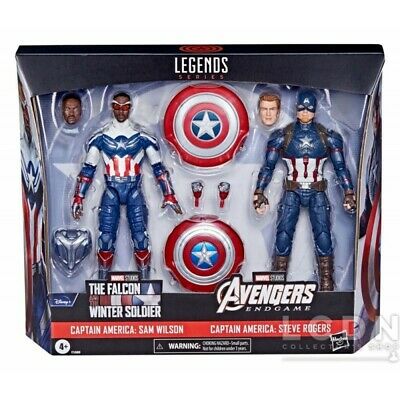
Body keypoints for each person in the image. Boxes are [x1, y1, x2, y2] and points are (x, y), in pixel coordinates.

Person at [72, 92, 182, 279]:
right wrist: (78, 197)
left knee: (140, 237)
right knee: (105, 238)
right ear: (112, 107)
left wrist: (169, 194)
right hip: (111, 190)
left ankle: (145, 281)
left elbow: (158, 168)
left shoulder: (142, 137)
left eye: (125, 107)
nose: (121, 111)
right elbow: (88, 169)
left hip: (133, 190)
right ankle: (102, 282)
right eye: (117, 106)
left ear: (130, 108)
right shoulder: (100, 138)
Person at [253, 90, 356, 291]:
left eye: (309, 109)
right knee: (283, 234)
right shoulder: (282, 136)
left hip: (317, 191)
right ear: (296, 109)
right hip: (292, 190)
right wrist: (259, 191)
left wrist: (349, 193)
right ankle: (277, 283)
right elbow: (268, 168)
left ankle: (326, 284)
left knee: (323, 236)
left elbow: (341, 168)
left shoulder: (328, 137)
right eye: (301, 108)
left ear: (315, 110)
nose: (305, 112)